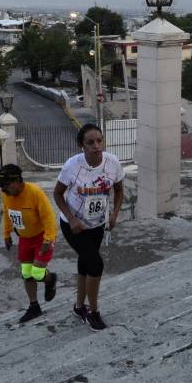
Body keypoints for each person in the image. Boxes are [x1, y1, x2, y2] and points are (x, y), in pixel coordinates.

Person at [53, 123, 124, 331]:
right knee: (96, 264)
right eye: (90, 142)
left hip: (97, 224)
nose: (96, 146)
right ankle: (93, 311)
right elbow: (57, 194)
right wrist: (71, 218)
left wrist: (114, 214)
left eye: (99, 141)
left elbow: (119, 190)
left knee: (86, 263)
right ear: (81, 146)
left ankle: (78, 307)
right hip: (74, 226)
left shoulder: (112, 163)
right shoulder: (72, 166)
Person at [0, 164, 59, 323]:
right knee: (26, 273)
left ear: (17, 181)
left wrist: (48, 239)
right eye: (1, 186)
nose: (3, 190)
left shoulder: (35, 193)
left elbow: (49, 217)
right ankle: (34, 306)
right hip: (24, 239)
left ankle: (50, 280)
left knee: (37, 273)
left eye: (6, 185)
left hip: (41, 239)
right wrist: (6, 234)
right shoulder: (7, 195)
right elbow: (7, 212)